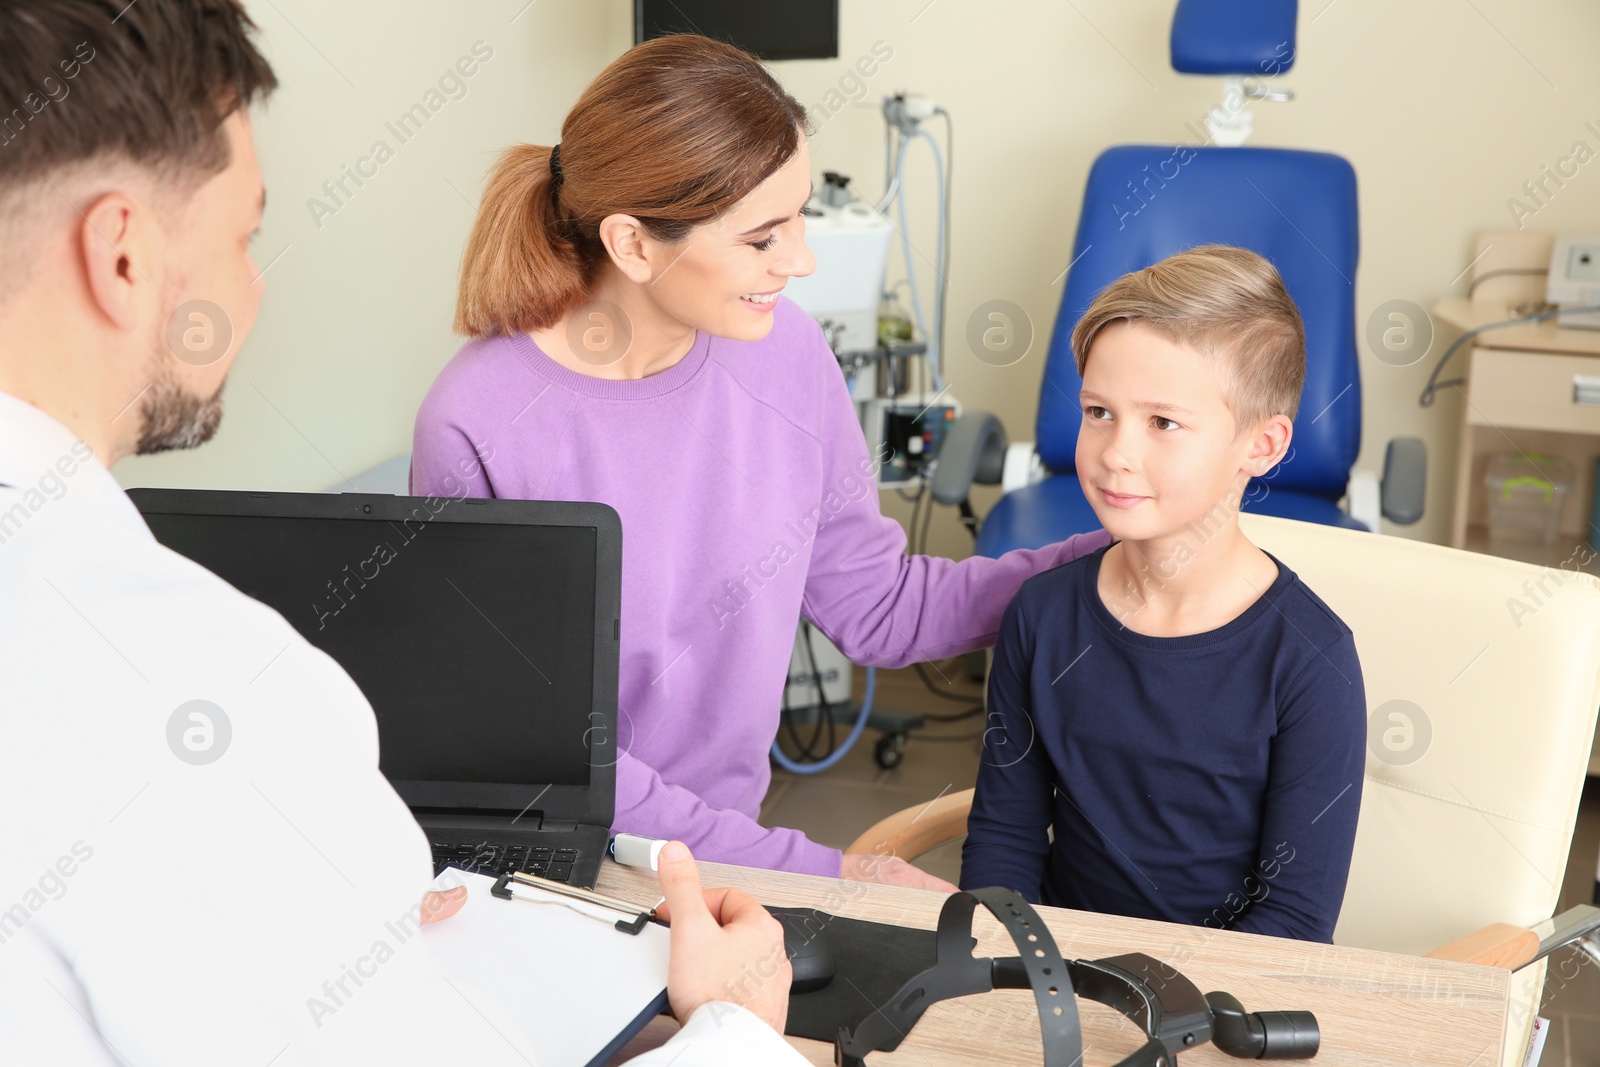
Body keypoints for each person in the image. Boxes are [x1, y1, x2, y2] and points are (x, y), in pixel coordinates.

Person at [0, 2, 804, 1061]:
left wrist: (350, 909)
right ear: (124, 256)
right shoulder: (204, 695)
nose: (258, 281)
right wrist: (739, 1029)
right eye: (246, 233)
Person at [412, 34, 1112, 889]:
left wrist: (1102, 561)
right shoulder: (477, 422)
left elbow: (877, 604)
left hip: (724, 849)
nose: (802, 259)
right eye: (762, 238)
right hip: (557, 867)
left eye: (802, 214)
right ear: (633, 244)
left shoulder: (785, 352)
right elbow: (552, 751)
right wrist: (824, 872)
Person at [959, 246, 1367, 942]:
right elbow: (1006, 842)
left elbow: (1294, 918)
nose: (1116, 452)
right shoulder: (1042, 615)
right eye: (1098, 411)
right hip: (1053, 975)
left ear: (1262, 445)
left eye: (1163, 422)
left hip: (1217, 1006)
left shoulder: (1311, 662)